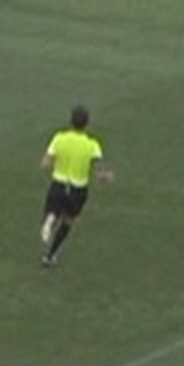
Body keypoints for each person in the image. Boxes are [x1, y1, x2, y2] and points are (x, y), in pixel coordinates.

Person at [40, 104, 112, 268]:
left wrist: (53, 162)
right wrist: (105, 177)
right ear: (87, 123)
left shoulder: (60, 138)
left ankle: (50, 218)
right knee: (68, 221)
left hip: (58, 183)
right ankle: (49, 255)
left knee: (52, 211)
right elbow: (99, 169)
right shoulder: (91, 144)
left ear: (70, 121)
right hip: (78, 189)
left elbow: (45, 162)